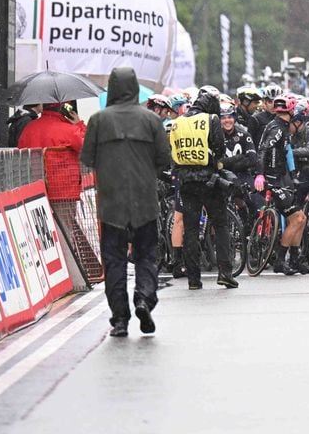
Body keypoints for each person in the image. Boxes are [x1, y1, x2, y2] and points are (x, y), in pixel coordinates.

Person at [81, 66, 173, 337]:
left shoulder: (99, 120)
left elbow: (87, 159)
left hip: (111, 202)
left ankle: (120, 318)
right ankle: (144, 298)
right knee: (146, 255)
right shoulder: (151, 121)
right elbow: (163, 159)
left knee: (114, 261)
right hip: (145, 199)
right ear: (134, 88)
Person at [169, 92, 239, 290]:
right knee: (221, 224)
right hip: (210, 180)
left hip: (186, 182)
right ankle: (225, 273)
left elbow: (173, 152)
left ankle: (193, 279)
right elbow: (219, 149)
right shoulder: (211, 119)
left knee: (190, 229)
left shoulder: (177, 123)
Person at [257, 97, 309, 275]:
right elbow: (263, 150)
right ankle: (280, 260)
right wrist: (260, 174)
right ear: (290, 112)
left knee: (301, 218)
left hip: (282, 178)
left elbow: (286, 152)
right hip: (273, 180)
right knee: (296, 218)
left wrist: (293, 172)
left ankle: (295, 260)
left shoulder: (282, 127)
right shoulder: (277, 129)